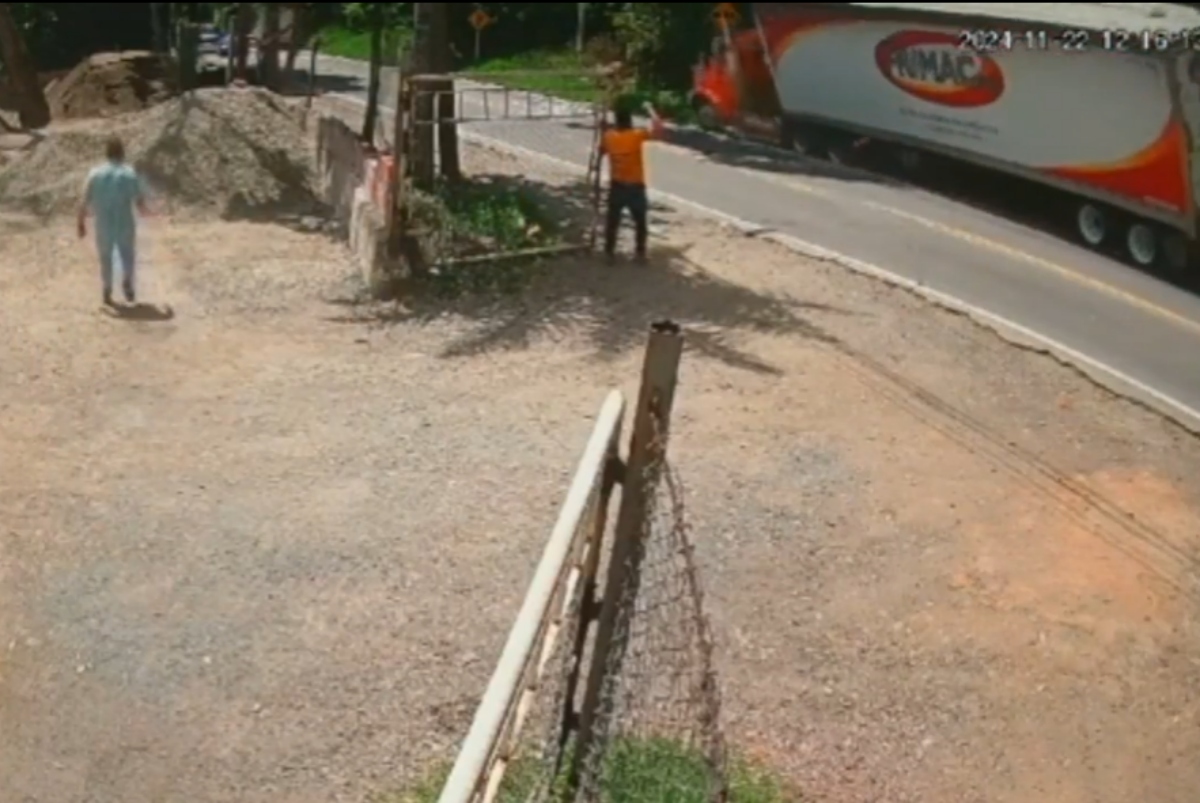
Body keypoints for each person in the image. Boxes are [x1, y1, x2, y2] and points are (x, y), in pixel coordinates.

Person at [77, 136, 148, 307]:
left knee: (105, 257)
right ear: (122, 153)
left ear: (106, 153)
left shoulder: (95, 174)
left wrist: (80, 222)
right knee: (127, 254)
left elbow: (84, 200)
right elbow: (139, 201)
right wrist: (148, 212)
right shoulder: (129, 173)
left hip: (103, 223)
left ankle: (107, 289)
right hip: (124, 221)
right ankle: (127, 280)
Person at [600, 101, 665, 263]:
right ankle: (640, 253)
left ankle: (609, 253)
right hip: (635, 186)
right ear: (629, 121)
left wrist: (605, 131)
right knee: (640, 222)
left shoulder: (609, 138)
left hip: (617, 185)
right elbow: (658, 131)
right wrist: (651, 110)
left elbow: (601, 151)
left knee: (613, 221)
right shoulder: (636, 136)